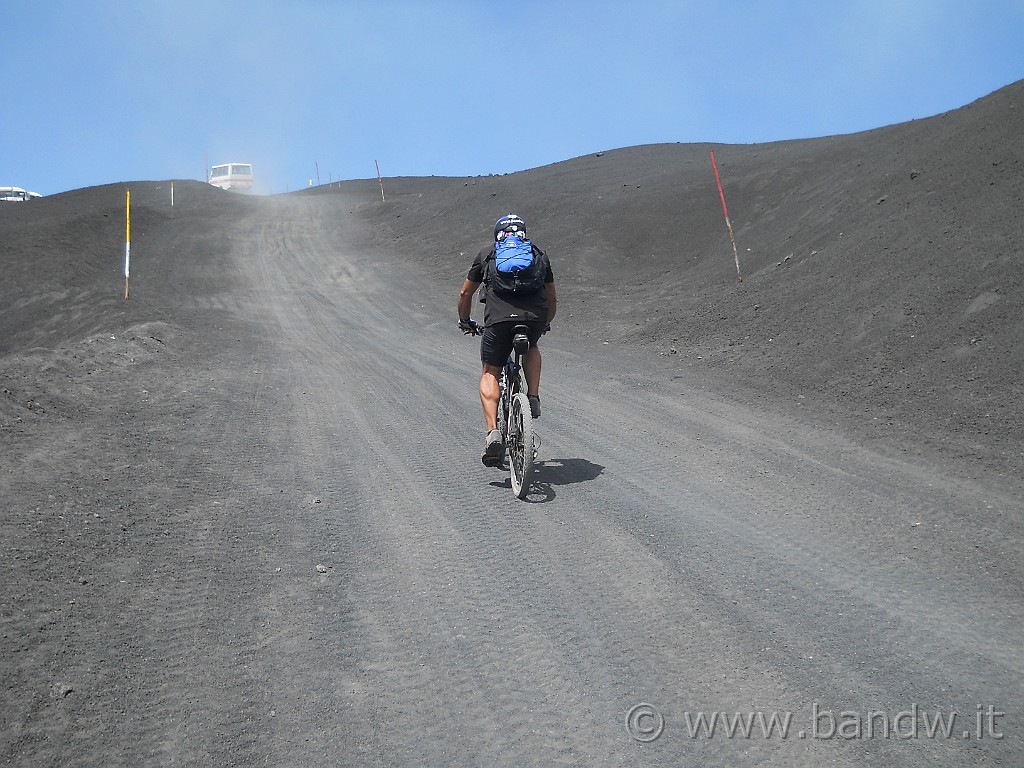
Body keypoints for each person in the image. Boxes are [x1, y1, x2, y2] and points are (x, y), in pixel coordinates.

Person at [457, 213, 556, 466]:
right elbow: (552, 297)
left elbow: (465, 292)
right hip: (533, 317)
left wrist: (465, 320)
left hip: (499, 320)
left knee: (490, 371)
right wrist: (544, 323)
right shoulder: (537, 254)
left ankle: (493, 432)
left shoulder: (487, 254)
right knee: (532, 345)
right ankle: (532, 396)